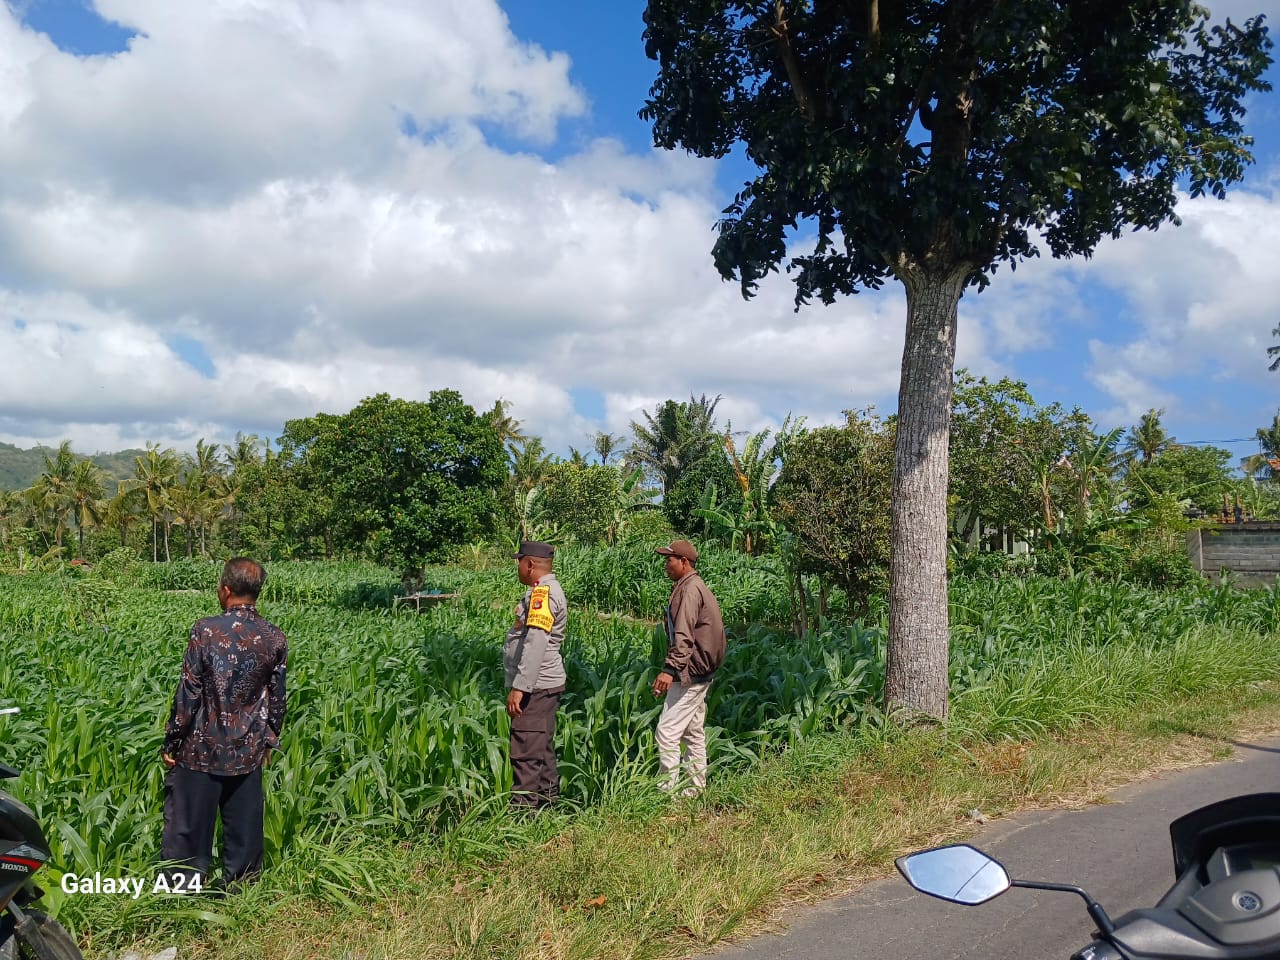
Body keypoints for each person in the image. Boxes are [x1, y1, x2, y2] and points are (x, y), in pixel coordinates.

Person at [161, 557, 287, 888]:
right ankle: (242, 894)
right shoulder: (273, 636)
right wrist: (269, 739)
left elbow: (189, 691)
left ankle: (182, 894)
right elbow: (277, 698)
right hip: (248, 750)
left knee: (187, 830)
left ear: (226, 590)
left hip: (200, 748)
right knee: (244, 832)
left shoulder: (205, 630)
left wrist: (172, 740)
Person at [651, 539, 726, 796]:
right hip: (701, 671)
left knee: (667, 732)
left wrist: (669, 669)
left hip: (690, 673)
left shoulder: (689, 590)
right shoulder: (692, 585)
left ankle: (666, 795)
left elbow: (683, 635)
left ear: (684, 562)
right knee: (693, 733)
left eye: (669, 559)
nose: (666, 564)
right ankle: (695, 791)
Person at [504, 540, 567, 809]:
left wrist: (521, 686)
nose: (517, 567)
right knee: (541, 749)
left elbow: (535, 643)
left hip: (537, 685)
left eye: (519, 561)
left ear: (529, 564)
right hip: (544, 685)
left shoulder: (543, 594)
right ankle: (546, 806)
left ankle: (523, 815)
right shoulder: (544, 591)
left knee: (526, 751)